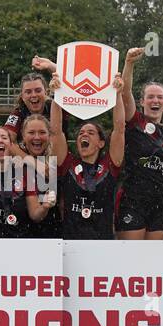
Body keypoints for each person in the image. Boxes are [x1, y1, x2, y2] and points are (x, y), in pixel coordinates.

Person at [46, 74, 125, 240]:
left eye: (90, 133)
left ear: (101, 143)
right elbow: (55, 131)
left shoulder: (110, 165)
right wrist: (56, 95)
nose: (84, 135)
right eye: (81, 133)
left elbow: (119, 129)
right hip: (71, 242)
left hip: (102, 243)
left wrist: (117, 94)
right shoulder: (67, 163)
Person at [115, 47, 163, 240]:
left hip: (160, 205)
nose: (155, 100)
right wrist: (129, 63)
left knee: (155, 264)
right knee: (131, 261)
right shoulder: (135, 121)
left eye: (159, 97)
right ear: (142, 101)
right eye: (150, 97)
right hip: (133, 201)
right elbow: (125, 92)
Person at [4, 68, 51, 158]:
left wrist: (50, 66)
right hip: (26, 163)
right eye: (28, 92)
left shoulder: (55, 109)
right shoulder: (17, 113)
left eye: (38, 90)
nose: (33, 95)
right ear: (22, 96)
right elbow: (5, 140)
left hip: (55, 160)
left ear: (46, 92)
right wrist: (33, 162)